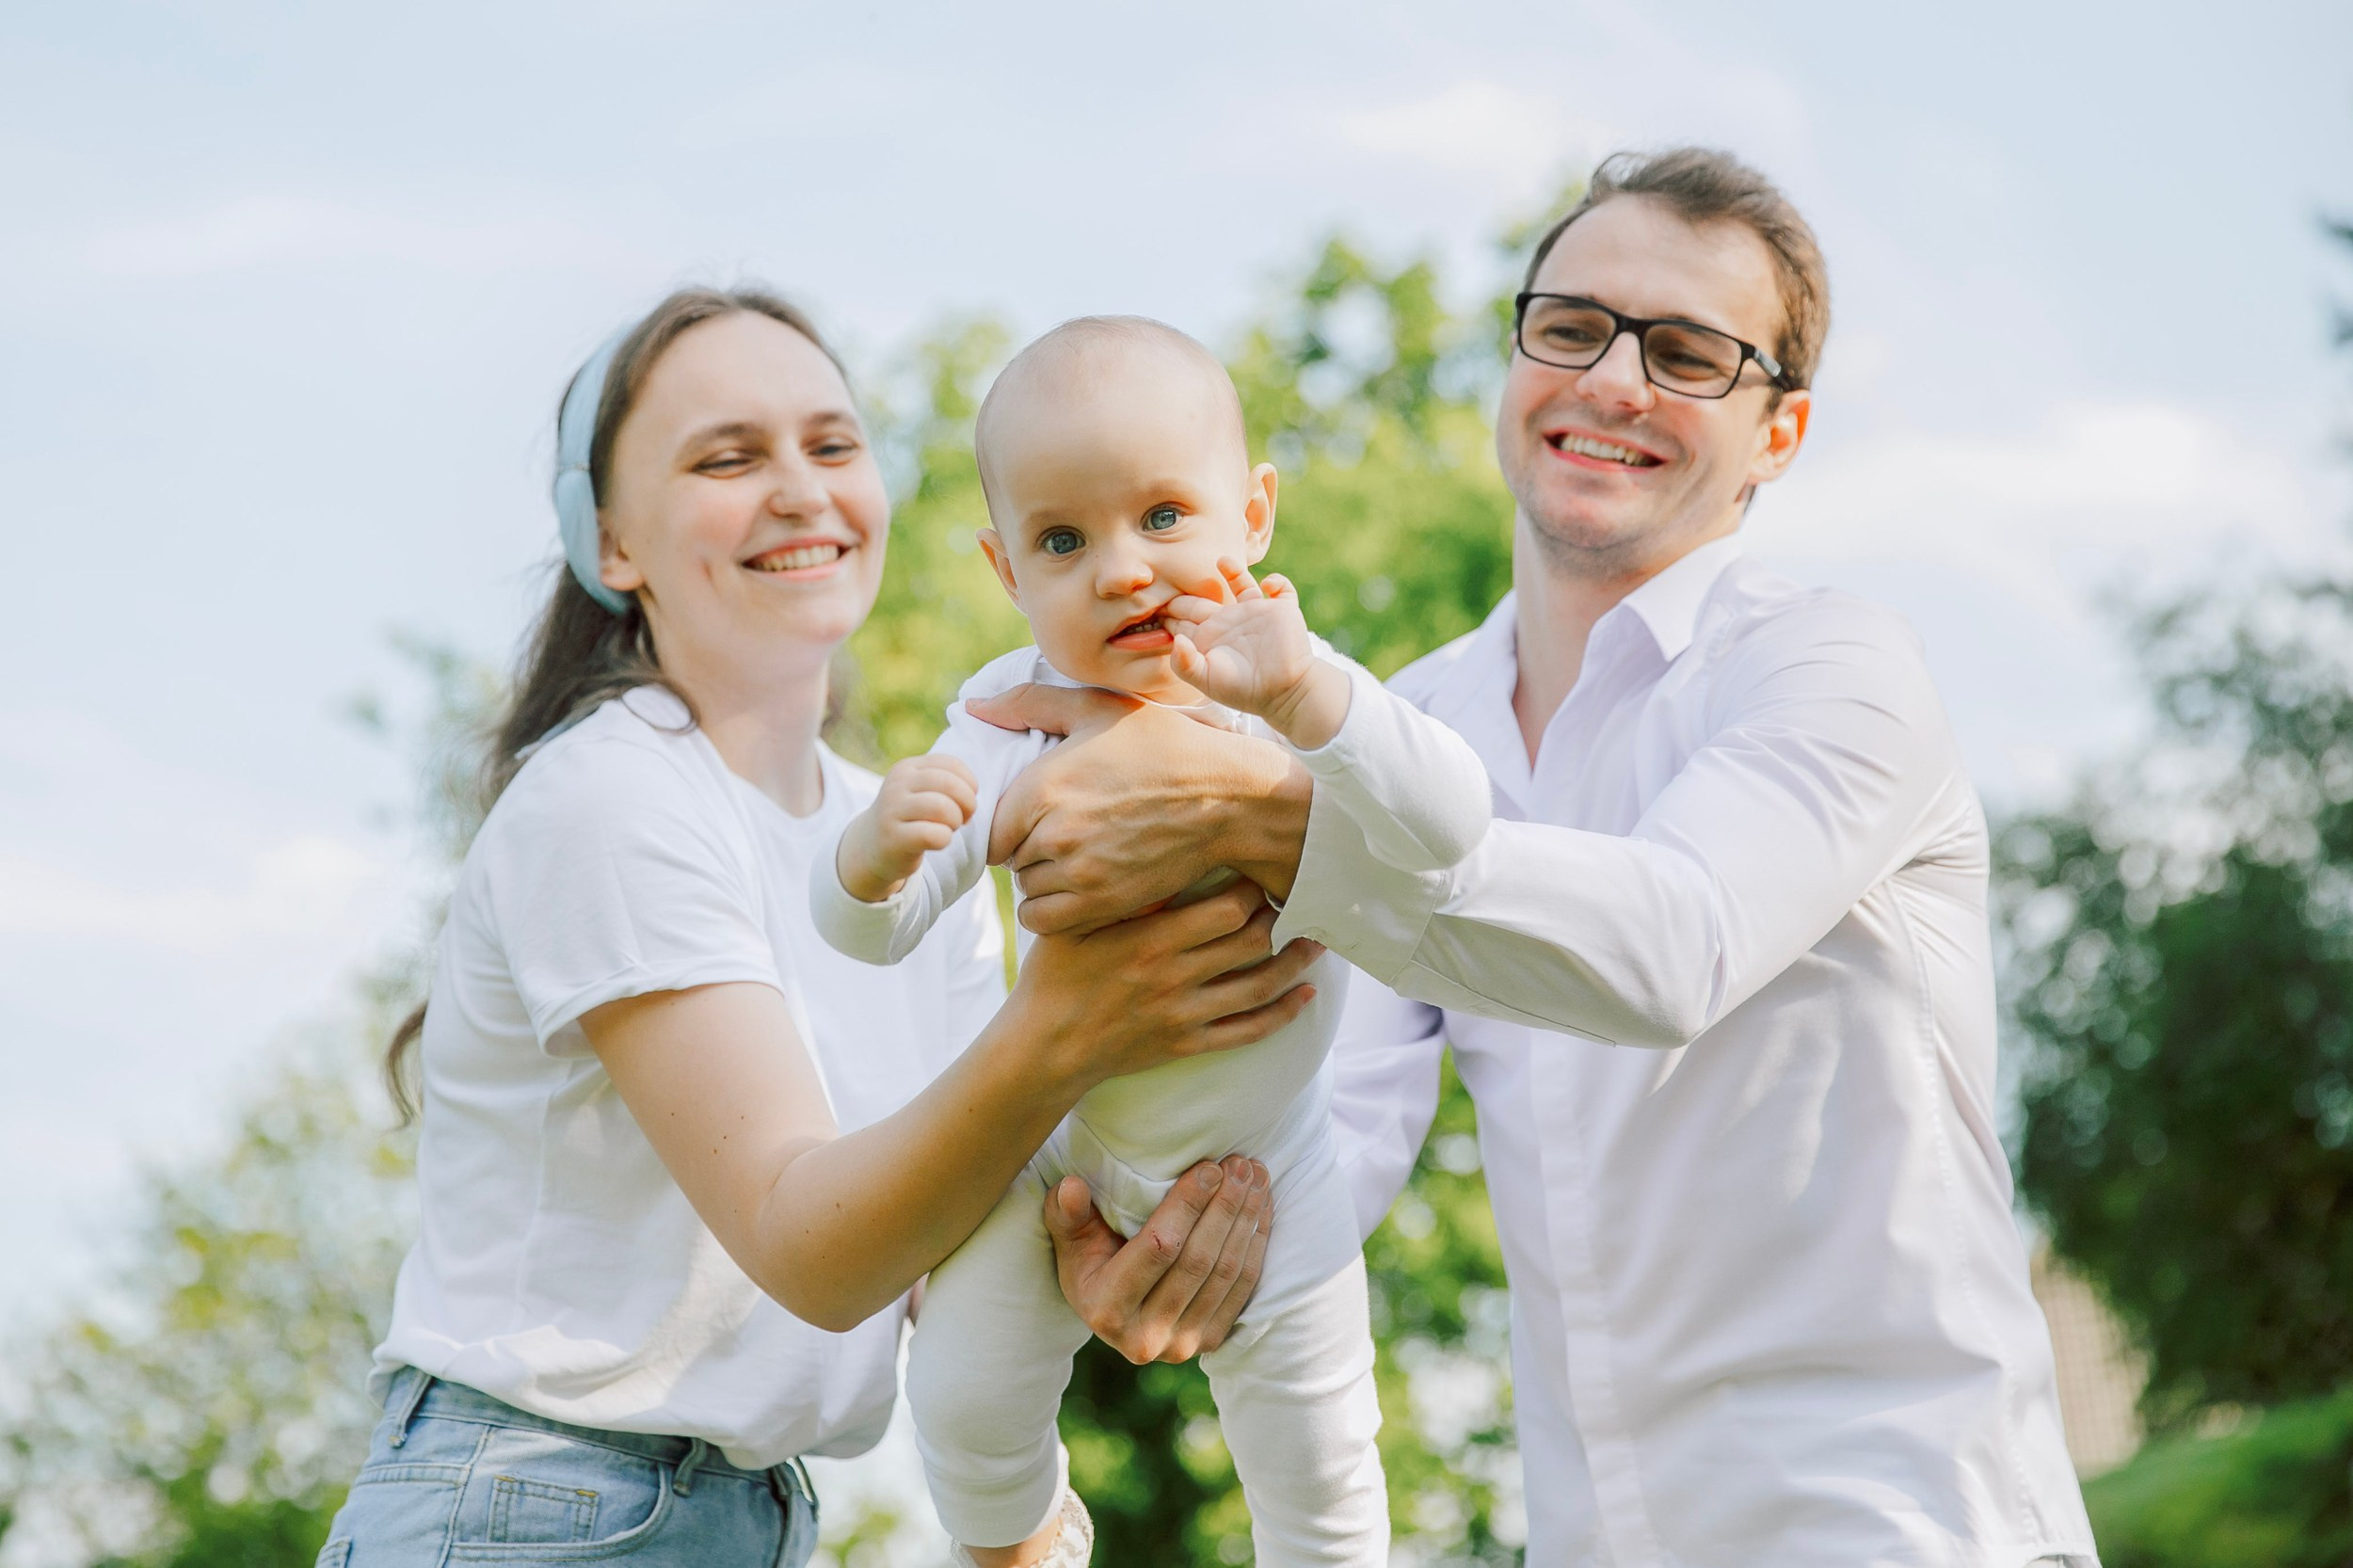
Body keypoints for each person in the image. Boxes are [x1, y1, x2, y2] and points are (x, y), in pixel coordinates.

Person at [969, 150, 2102, 1566]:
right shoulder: (1402, 725)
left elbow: (1670, 945)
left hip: (1897, 1523)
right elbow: (1329, 1105)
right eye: (1572, 327)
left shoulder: (1836, 667)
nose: (1614, 382)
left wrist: (1268, 817)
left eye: (1690, 354)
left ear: (1781, 431)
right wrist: (1173, 1232)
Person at [323, 287, 1319, 1568]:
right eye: (728, 457)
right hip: (540, 1502)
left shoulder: (901, 840)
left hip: (744, 1515)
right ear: (614, 541)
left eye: (832, 445)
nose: (800, 489)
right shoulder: (613, 794)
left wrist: (1105, 1245)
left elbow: (962, 1204)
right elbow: (814, 1244)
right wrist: (1072, 1025)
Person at [813, 317, 1493, 1567]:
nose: (1123, 570)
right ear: (1005, 568)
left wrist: (1312, 701)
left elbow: (1451, 823)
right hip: (1052, 1148)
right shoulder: (1007, 720)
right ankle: (1022, 1539)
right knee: (961, 1397)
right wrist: (867, 859)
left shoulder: (1292, 693)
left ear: (1255, 514)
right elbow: (880, 927)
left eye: (1166, 516)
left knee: (1323, 1472)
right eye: (1063, 540)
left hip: (1269, 1164)